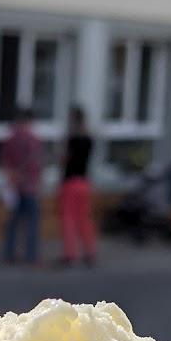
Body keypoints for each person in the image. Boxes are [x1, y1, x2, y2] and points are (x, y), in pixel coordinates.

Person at [0, 107, 44, 265]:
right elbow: (37, 164)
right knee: (32, 223)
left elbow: (5, 162)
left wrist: (11, 179)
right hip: (30, 186)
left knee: (13, 222)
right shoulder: (34, 140)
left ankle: (9, 254)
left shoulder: (11, 139)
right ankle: (31, 256)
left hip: (15, 184)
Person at [57, 105, 96, 268]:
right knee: (84, 219)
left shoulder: (71, 139)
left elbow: (64, 159)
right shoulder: (89, 139)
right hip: (84, 182)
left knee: (69, 219)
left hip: (70, 182)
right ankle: (89, 252)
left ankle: (71, 254)